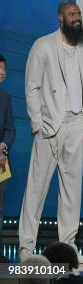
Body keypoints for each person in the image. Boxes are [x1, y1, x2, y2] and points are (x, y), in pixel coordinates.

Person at [19, 1, 83, 265]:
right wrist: (38, 124)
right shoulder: (43, 46)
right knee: (36, 189)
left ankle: (68, 247)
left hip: (77, 124)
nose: (77, 18)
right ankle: (26, 248)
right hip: (50, 125)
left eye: (78, 14)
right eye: (71, 14)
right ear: (60, 18)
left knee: (72, 189)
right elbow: (32, 87)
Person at [0, 53, 16, 261]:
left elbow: (10, 129)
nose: (2, 72)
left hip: (1, 161)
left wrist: (3, 148)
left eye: (3, 69)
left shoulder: (5, 98)